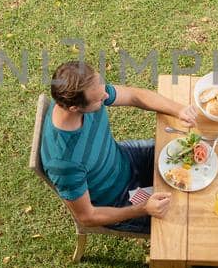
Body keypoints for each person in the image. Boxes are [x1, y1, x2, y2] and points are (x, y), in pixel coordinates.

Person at [40, 59, 197, 234]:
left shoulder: (86, 90)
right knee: (190, 222)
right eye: (100, 99)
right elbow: (87, 217)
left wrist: (179, 110)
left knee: (190, 153)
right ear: (74, 108)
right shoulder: (63, 163)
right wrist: (144, 208)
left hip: (125, 158)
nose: (106, 97)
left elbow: (133, 95)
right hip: (115, 201)